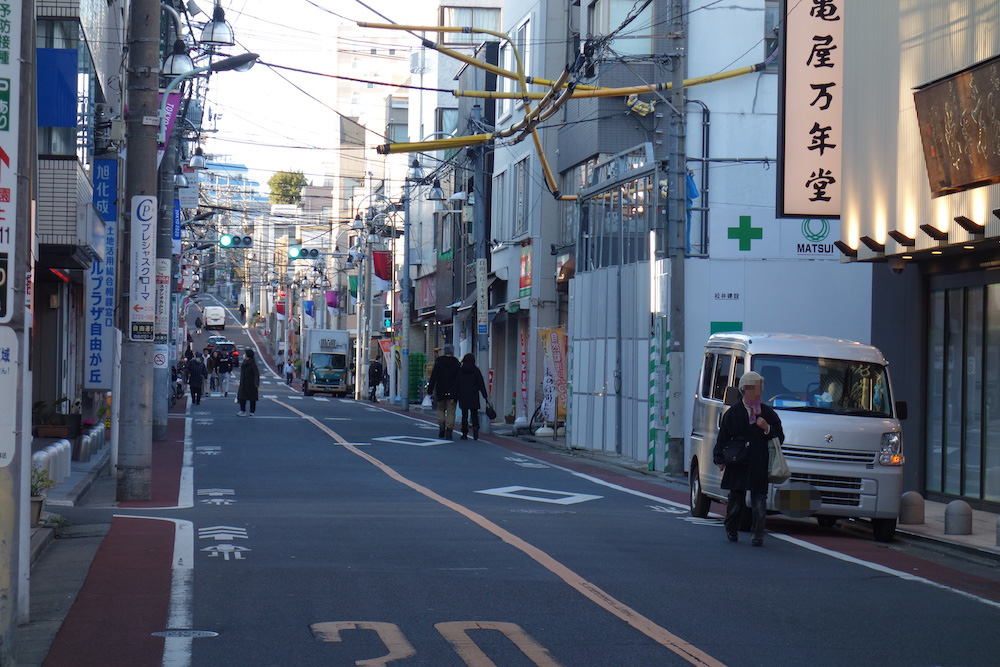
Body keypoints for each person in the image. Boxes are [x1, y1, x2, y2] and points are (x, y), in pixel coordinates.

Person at [713, 371, 784, 547]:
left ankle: (758, 534)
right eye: (752, 389)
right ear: (744, 390)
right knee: (736, 498)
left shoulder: (767, 413)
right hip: (738, 461)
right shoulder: (733, 413)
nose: (756, 393)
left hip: (759, 461)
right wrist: (719, 459)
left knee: (759, 499)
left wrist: (767, 428)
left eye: (759, 389)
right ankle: (731, 527)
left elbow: (780, 437)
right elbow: (722, 438)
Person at [426, 344, 461, 439]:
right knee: (451, 411)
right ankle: (449, 430)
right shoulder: (456, 362)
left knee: (440, 409)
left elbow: (433, 377)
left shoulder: (439, 361)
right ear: (452, 352)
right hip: (452, 391)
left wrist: (429, 390)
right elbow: (459, 379)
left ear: (444, 351)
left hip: (440, 390)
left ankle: (442, 426)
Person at [456, 353, 488, 440]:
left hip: (463, 395)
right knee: (474, 414)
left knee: (464, 415)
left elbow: (457, 384)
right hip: (474, 395)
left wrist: (455, 395)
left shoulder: (460, 371)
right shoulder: (476, 370)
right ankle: (475, 428)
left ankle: (464, 433)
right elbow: (481, 384)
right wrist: (485, 396)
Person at [237, 348, 260, 416]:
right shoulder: (244, 363)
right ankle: (242, 410)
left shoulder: (253, 364)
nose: (244, 355)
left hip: (251, 384)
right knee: (242, 397)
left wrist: (256, 383)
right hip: (244, 383)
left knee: (252, 398)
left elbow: (256, 374)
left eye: (245, 354)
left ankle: (252, 412)